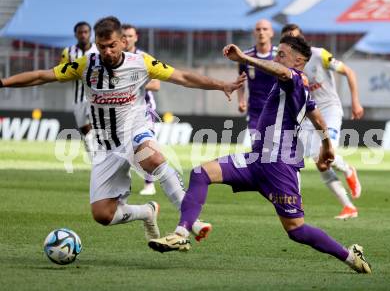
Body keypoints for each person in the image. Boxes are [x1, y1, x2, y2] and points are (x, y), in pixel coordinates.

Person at [0, 16, 245, 243]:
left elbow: (183, 77)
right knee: (103, 215)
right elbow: (44, 76)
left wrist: (221, 84)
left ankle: (190, 219)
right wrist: (4, 82)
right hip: (106, 146)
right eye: (102, 46)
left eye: (112, 45)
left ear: (123, 41)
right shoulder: (86, 65)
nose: (107, 51)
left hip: (135, 131)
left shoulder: (141, 63)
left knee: (153, 157)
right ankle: (146, 212)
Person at [148, 36, 372, 274]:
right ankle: (181, 234)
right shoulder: (299, 88)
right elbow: (316, 115)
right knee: (201, 172)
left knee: (296, 230)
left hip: (280, 166)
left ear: (298, 61)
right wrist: (327, 144)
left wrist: (245, 58)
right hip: (255, 160)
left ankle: (350, 256)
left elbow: (285, 74)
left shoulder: (293, 78)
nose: (276, 58)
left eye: (282, 55)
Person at [281, 24, 364, 219]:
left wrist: (355, 101)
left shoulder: (319, 55)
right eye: (287, 41)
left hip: (329, 110)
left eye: (295, 39)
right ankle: (348, 207)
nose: (291, 44)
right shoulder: (285, 64)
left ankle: (348, 169)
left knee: (326, 153)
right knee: (321, 163)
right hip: (308, 116)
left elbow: (349, 72)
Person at [122, 23, 159, 196]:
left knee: (146, 148)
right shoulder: (114, 58)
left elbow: (157, 84)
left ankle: (149, 184)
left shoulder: (143, 57)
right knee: (123, 150)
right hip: (122, 111)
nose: (126, 39)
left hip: (145, 110)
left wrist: (131, 83)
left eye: (130, 36)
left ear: (136, 37)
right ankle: (122, 184)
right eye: (123, 36)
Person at [237, 19, 278, 145]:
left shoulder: (280, 56)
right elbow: (240, 80)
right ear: (254, 33)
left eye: (265, 29)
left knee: (276, 149)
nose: (261, 32)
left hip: (277, 110)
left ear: (272, 33)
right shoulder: (245, 56)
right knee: (258, 147)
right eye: (258, 29)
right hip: (255, 111)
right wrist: (241, 100)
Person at [60, 21, 98, 151]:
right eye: (80, 32)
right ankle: (94, 159)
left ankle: (102, 157)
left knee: (95, 129)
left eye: (86, 32)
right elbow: (62, 74)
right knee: (86, 134)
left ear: (90, 34)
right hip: (78, 98)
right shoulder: (68, 52)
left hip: (95, 97)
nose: (83, 35)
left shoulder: (98, 50)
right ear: (75, 34)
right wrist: (76, 72)